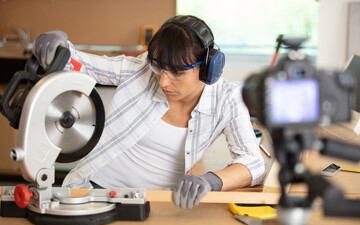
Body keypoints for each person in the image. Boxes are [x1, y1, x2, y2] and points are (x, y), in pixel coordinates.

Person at [33, 15, 266, 209]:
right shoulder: (140, 69)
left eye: (177, 72)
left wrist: (212, 181)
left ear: (207, 69)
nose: (164, 81)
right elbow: (77, 62)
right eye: (158, 68)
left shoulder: (227, 99)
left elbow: (254, 162)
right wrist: (58, 45)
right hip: (91, 190)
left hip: (154, 202)